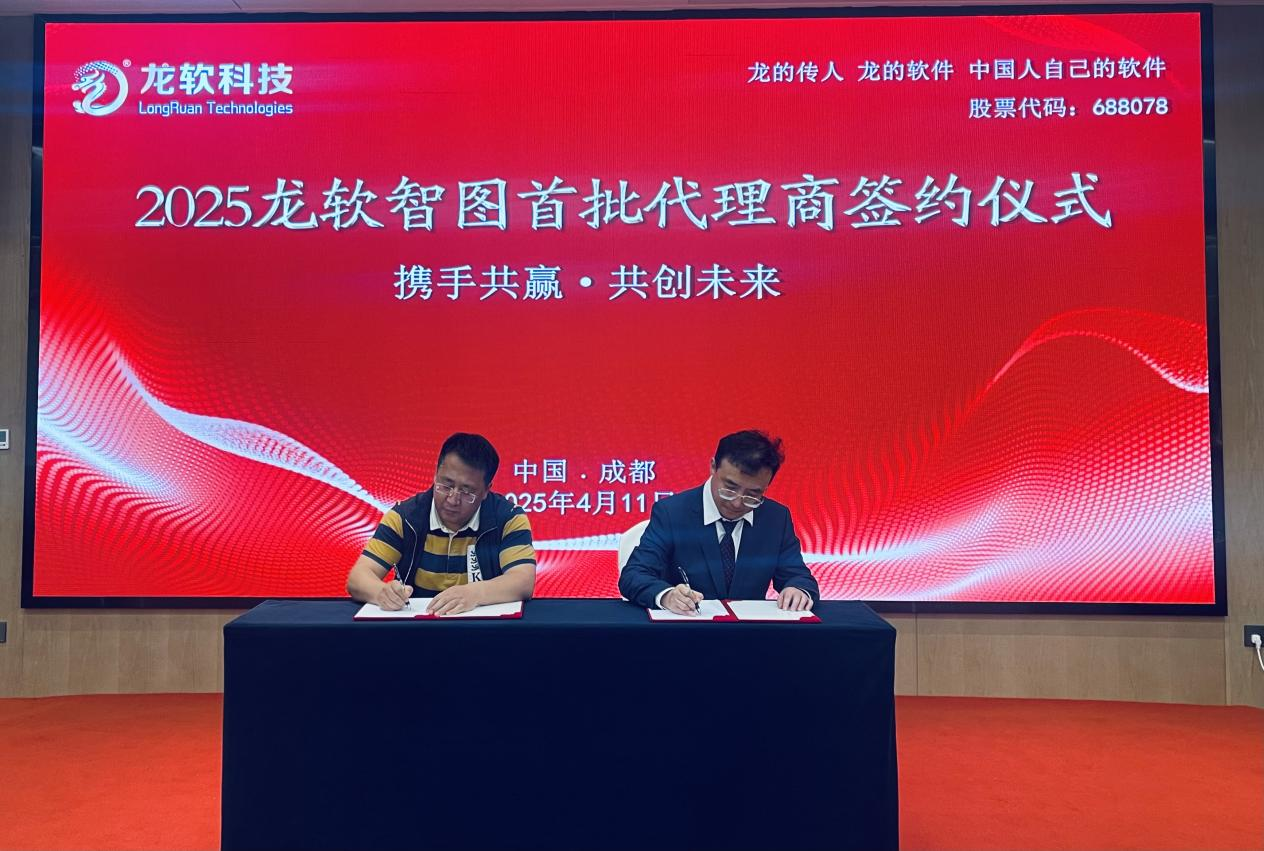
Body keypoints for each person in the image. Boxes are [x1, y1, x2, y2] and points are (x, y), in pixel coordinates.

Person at [618, 430, 819, 614]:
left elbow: (798, 576)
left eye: (753, 494)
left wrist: (798, 590)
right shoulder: (672, 512)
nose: (737, 502)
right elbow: (634, 575)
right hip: (686, 631)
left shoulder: (775, 518)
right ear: (713, 466)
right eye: (730, 488)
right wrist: (667, 596)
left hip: (750, 634)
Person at [346, 433, 535, 615]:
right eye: (446, 485)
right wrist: (382, 593)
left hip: (483, 629)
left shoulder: (508, 518)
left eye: (467, 491)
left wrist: (475, 593)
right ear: (435, 475)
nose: (453, 499)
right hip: (417, 628)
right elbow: (358, 577)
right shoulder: (405, 517)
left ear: (486, 490)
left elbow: (523, 580)